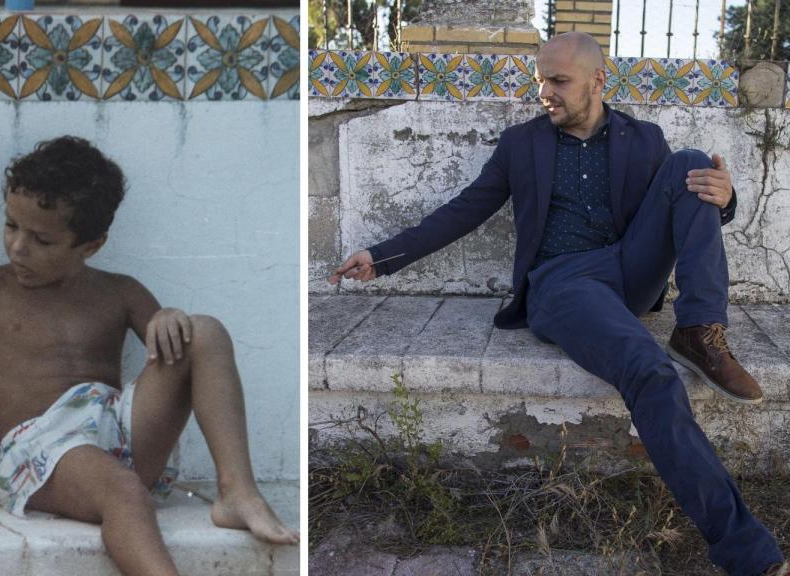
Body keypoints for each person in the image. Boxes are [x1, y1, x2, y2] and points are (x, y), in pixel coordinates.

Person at [329, 32, 785, 576]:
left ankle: (700, 330)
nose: (545, 91)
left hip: (628, 270)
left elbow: (684, 208)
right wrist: (381, 257)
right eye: (541, 78)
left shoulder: (644, 140)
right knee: (650, 371)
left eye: (559, 81)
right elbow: (461, 211)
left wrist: (725, 200)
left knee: (690, 163)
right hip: (563, 285)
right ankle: (750, 556)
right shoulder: (522, 145)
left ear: (598, 81)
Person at [0, 136, 298, 575]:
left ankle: (237, 491)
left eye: (42, 240)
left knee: (204, 332)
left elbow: (168, 344)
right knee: (125, 492)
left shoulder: (120, 292)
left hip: (123, 435)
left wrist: (169, 315)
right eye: (10, 226)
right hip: (41, 453)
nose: (18, 248)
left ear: (91, 245)